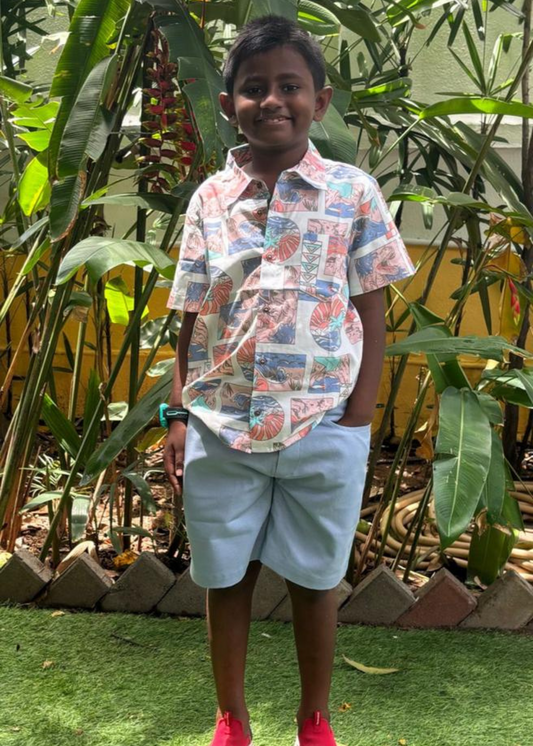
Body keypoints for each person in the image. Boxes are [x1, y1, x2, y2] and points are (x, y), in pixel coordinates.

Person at [163, 15, 416, 746]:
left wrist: (359, 416)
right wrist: (177, 413)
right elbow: (191, 311)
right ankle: (232, 718)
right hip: (221, 423)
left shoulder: (352, 192)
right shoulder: (210, 199)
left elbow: (371, 308)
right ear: (228, 104)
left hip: (322, 422)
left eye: (289, 86)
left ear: (320, 100)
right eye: (253, 88)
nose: (271, 100)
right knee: (225, 575)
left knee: (315, 578)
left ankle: (314, 717)